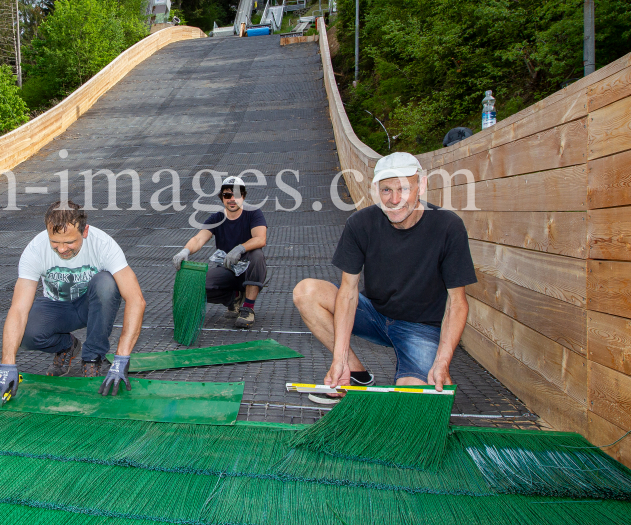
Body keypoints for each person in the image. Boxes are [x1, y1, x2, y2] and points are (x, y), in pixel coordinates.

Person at [292, 152, 477, 404]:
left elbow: (457, 303)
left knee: (411, 403)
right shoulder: (361, 223)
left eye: (403, 188)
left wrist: (442, 361)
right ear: (376, 191)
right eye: (386, 190)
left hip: (421, 328)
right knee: (307, 292)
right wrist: (339, 360)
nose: (394, 199)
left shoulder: (448, 226)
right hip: (375, 314)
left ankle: (418, 375)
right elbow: (348, 292)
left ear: (421, 185)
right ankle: (354, 374)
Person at [0, 201, 147, 400]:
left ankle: (92, 358)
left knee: (107, 284)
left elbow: (136, 300)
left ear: (84, 231)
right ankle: (66, 346)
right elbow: (18, 309)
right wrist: (7, 364)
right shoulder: (35, 250)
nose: (61, 249)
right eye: (55, 242)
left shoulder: (103, 245)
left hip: (92, 307)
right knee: (24, 332)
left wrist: (121, 358)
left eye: (69, 242)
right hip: (57, 310)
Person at [172, 176, 268, 328]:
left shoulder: (253, 213)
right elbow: (199, 239)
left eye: (236, 195)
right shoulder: (217, 218)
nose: (231, 199)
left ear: (243, 196)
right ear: (222, 197)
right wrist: (185, 251)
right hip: (228, 269)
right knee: (199, 285)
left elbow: (260, 238)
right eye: (227, 195)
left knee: (257, 255)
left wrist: (239, 248)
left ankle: (248, 308)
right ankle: (234, 297)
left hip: (249, 269)